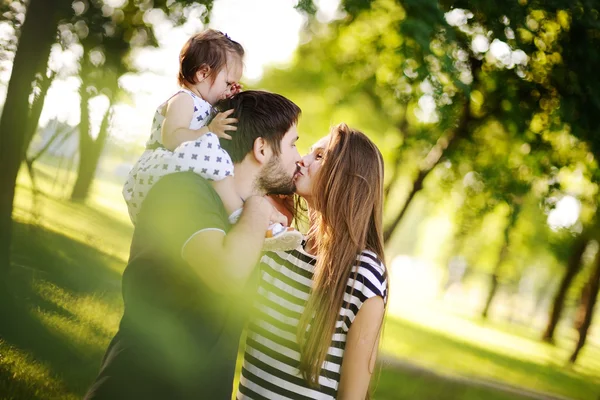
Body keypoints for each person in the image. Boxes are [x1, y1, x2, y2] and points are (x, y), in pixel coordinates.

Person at [85, 90, 303, 400]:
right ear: (262, 148)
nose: (298, 157)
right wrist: (259, 205)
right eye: (293, 143)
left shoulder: (242, 222)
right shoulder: (183, 190)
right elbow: (227, 273)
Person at [237, 124, 389, 400]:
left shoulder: (363, 274)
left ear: (347, 179)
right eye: (308, 152)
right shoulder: (278, 247)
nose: (301, 160)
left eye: (319, 156)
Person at [123, 29, 301, 250]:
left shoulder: (207, 104)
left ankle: (259, 220)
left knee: (219, 166)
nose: (230, 90)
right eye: (228, 83)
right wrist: (208, 130)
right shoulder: (183, 100)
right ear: (202, 74)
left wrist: (230, 95)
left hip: (179, 165)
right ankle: (241, 217)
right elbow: (171, 138)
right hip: (159, 165)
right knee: (220, 166)